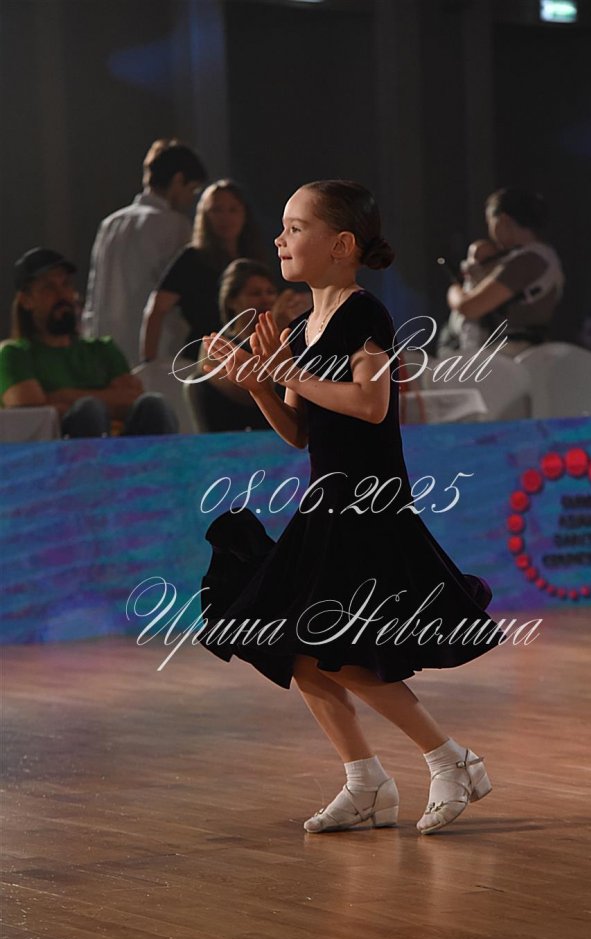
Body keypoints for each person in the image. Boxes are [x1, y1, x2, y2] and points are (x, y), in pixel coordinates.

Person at [197, 180, 504, 835]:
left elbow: (370, 403)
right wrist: (261, 387)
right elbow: (301, 432)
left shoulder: (366, 315)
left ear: (340, 244)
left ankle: (451, 759)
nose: (279, 239)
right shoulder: (301, 329)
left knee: (340, 651)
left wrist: (287, 373)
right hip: (327, 503)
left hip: (369, 506)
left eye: (294, 227)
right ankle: (366, 782)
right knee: (291, 644)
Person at [0, 248, 178, 437]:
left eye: (66, 284)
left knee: (154, 404)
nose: (62, 294)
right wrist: (106, 398)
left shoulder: (103, 349)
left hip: (122, 446)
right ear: (26, 300)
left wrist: (61, 396)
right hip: (56, 451)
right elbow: (33, 414)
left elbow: (131, 398)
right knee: (89, 410)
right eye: (48, 288)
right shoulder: (14, 354)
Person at [82, 139, 207, 367]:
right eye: (192, 189)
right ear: (178, 180)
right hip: (158, 348)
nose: (191, 199)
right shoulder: (175, 225)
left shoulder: (111, 223)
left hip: (108, 349)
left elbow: (94, 294)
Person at [140, 179, 266, 365]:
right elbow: (157, 308)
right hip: (204, 356)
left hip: (249, 353)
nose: (225, 217)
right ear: (205, 215)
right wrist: (149, 362)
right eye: (217, 210)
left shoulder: (252, 257)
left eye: (233, 210)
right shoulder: (192, 258)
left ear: (244, 214)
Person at [193, 258, 311, 432]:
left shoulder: (285, 338)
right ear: (232, 301)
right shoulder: (217, 345)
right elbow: (250, 395)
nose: (266, 299)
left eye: (270, 292)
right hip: (238, 435)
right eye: (255, 294)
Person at [445, 187, 565, 357]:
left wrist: (455, 290)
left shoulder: (525, 260)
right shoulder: (545, 255)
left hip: (512, 351)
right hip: (529, 349)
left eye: (489, 223)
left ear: (502, 220)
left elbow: (470, 307)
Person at [438, 238, 504, 352]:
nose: (479, 263)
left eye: (487, 259)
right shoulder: (459, 290)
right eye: (475, 257)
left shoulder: (501, 292)